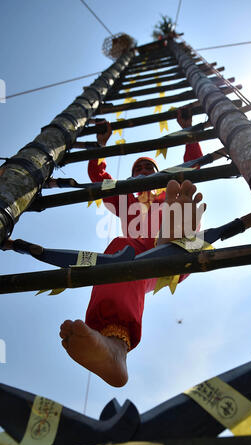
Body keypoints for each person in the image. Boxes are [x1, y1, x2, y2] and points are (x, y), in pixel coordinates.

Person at [60, 109, 205, 387]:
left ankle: (180, 230)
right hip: (143, 256)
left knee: (182, 191)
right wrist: (99, 147)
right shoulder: (127, 201)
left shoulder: (167, 191)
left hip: (178, 247)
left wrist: (189, 130)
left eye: (147, 168)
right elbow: (99, 178)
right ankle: (114, 347)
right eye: (136, 169)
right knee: (117, 250)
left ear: (156, 172)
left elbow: (194, 164)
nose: (141, 171)